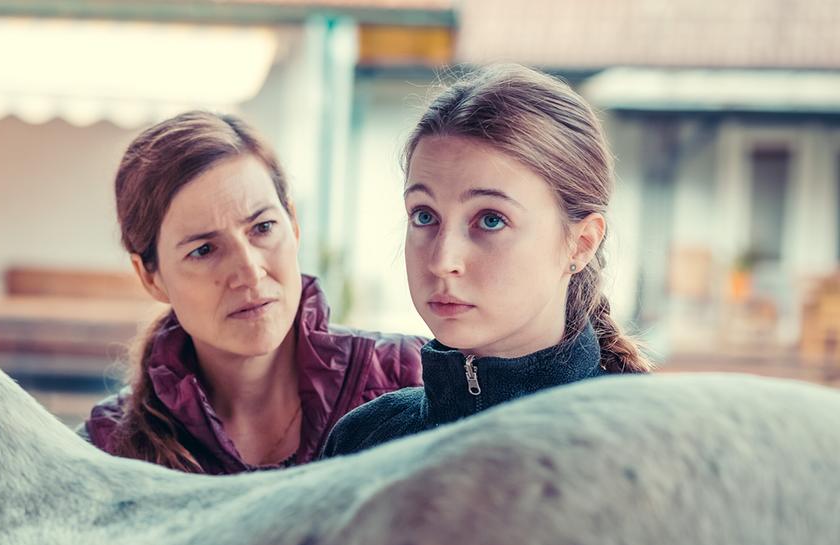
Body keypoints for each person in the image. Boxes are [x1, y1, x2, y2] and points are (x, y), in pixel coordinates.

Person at [323, 64, 653, 458]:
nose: (443, 261)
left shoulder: (644, 449)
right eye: (424, 215)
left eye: (491, 220)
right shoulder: (365, 440)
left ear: (580, 243)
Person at [80, 111, 425, 474]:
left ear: (292, 225)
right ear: (150, 277)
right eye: (203, 250)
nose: (248, 271)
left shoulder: (412, 377)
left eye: (262, 227)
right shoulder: (109, 450)